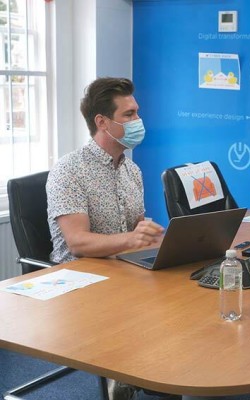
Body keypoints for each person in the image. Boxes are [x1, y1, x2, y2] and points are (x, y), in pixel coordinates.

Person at [46, 78, 174, 399]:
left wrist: (149, 234)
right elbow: (77, 242)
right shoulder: (69, 171)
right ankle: (134, 369)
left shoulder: (132, 170)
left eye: (137, 113)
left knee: (181, 296)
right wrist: (132, 240)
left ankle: (156, 372)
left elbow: (135, 228)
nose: (138, 121)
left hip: (122, 272)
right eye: (129, 115)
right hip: (80, 282)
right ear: (102, 122)